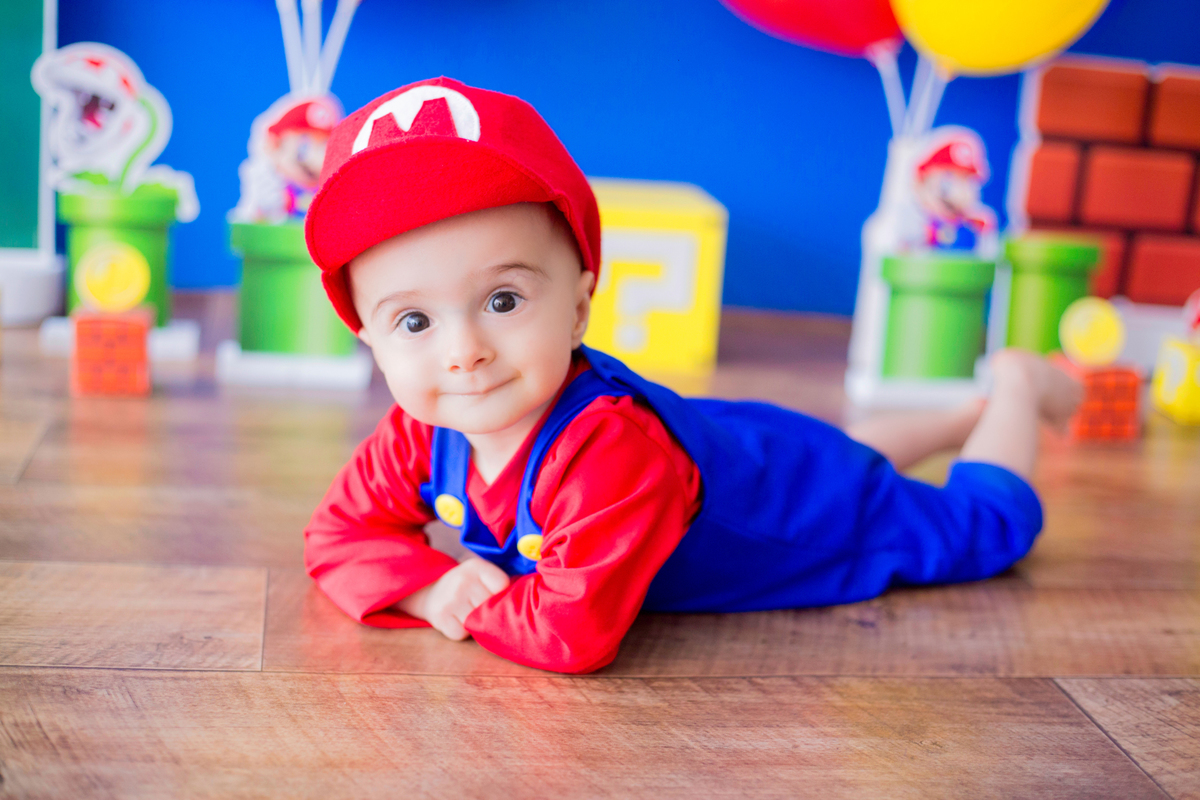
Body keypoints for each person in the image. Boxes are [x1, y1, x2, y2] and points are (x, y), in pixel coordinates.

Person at [303, 77, 1082, 674]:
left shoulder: (609, 457)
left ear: (578, 305)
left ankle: (1014, 386)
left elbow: (573, 634)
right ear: (368, 337)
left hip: (807, 516)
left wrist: (471, 606)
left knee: (981, 528)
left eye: (502, 299)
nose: (462, 350)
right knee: (837, 447)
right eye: (414, 322)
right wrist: (431, 588)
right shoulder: (422, 429)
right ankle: (961, 416)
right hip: (735, 447)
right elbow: (335, 533)